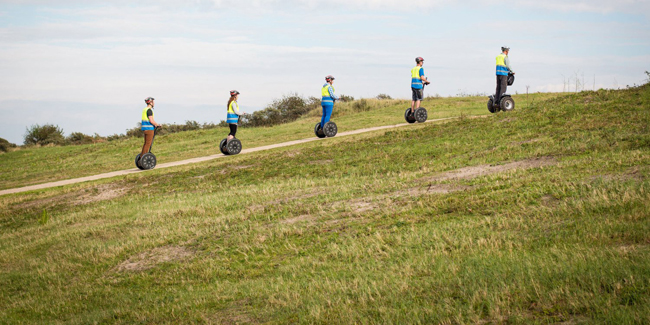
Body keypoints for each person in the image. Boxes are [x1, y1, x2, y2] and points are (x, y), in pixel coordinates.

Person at [139, 97, 160, 163]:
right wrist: (157, 124)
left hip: (145, 129)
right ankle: (142, 159)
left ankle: (141, 158)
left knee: (146, 144)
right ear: (150, 102)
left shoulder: (145, 109)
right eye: (153, 102)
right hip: (149, 129)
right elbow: (151, 120)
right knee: (148, 144)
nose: (154, 103)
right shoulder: (149, 110)